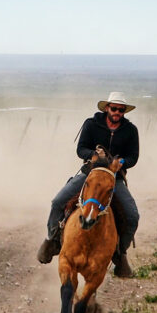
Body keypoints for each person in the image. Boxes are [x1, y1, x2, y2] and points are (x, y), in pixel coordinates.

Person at [36, 91, 140, 278]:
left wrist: (121, 162)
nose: (117, 112)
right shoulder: (91, 124)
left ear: (124, 111)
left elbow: (133, 156)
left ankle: (120, 253)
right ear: (107, 108)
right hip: (90, 174)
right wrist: (92, 155)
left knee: (132, 215)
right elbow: (80, 148)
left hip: (114, 178)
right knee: (58, 202)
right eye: (114, 108)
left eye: (121, 110)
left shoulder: (131, 130)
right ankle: (52, 240)